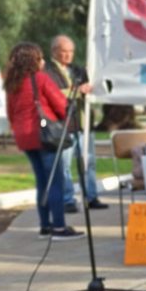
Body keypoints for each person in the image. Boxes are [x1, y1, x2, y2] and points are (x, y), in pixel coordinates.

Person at [4, 42, 85, 241]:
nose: (43, 61)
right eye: (40, 58)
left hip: (24, 136)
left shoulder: (12, 82)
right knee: (55, 181)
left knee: (42, 181)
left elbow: (10, 112)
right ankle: (59, 227)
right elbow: (60, 104)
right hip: (45, 135)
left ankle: (45, 226)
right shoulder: (40, 79)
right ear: (33, 61)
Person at [45, 35, 107, 213]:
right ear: (54, 51)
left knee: (88, 162)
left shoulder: (78, 70)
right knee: (64, 166)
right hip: (63, 125)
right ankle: (67, 200)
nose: (68, 55)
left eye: (71, 51)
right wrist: (76, 91)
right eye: (64, 51)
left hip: (83, 124)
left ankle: (91, 197)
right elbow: (51, 93)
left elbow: (91, 88)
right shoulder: (47, 71)